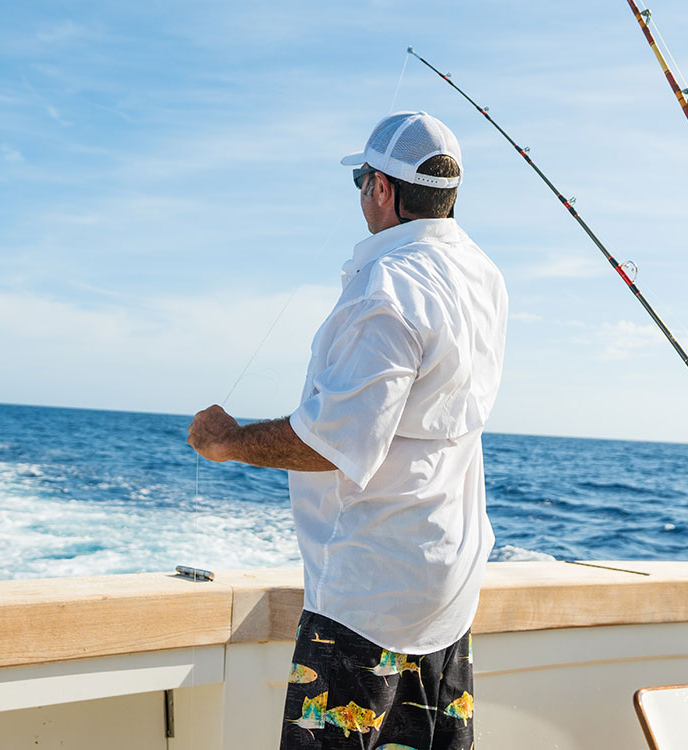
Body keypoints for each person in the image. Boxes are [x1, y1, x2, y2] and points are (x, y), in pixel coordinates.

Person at [188, 110, 507, 750]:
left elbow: (332, 443)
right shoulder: (484, 278)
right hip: (448, 591)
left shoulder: (388, 289)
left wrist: (227, 442)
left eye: (363, 177)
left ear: (382, 190)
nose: (362, 190)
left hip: (368, 602)